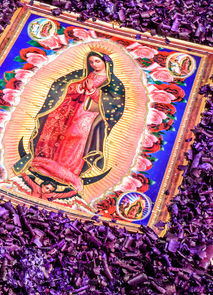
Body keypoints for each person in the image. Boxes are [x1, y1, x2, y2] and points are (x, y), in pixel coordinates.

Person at [12, 51, 127, 195]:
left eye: (97, 61)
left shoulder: (114, 84)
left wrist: (92, 91)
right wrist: (76, 87)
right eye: (91, 62)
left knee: (75, 138)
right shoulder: (82, 74)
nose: (94, 65)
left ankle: (67, 170)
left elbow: (114, 106)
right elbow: (60, 85)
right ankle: (45, 162)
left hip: (87, 115)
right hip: (67, 110)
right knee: (56, 134)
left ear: (106, 62)